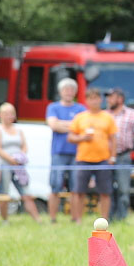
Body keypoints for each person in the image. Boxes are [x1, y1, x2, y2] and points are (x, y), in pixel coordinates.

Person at [68, 88, 117, 221]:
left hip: (103, 159)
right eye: (91, 98)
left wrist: (112, 157)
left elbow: (113, 139)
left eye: (96, 98)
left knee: (105, 192)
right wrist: (82, 138)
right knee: (79, 191)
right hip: (83, 159)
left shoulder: (108, 117)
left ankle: (104, 219)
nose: (94, 101)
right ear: (87, 100)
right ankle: (78, 220)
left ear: (100, 100)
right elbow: (71, 137)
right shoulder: (80, 117)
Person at [0, 102, 41, 222]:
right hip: (4, 166)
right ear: (1, 115)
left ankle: (38, 220)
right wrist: (10, 159)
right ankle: (5, 220)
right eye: (7, 113)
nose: (9, 116)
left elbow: (24, 146)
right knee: (4, 194)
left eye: (11, 113)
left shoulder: (19, 130)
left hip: (19, 166)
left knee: (26, 193)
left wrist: (20, 157)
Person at [46, 77, 86, 222]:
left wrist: (62, 124)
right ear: (60, 92)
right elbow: (53, 125)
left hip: (77, 153)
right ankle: (53, 218)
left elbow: (82, 127)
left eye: (71, 90)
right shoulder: (53, 107)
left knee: (76, 187)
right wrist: (73, 125)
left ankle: (76, 218)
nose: (69, 92)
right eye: (66, 90)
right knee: (55, 185)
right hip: (58, 152)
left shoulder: (81, 109)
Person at [106, 87, 134, 221]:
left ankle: (122, 219)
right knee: (107, 189)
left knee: (124, 189)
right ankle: (109, 218)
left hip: (123, 156)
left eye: (111, 97)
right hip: (105, 157)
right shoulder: (104, 115)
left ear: (120, 99)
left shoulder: (132, 114)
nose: (108, 100)